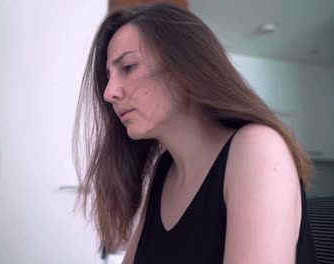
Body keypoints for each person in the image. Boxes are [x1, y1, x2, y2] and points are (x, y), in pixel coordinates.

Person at [72, 3, 318, 264]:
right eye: (108, 76)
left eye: (129, 67)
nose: (109, 93)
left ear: (184, 66)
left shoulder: (257, 148)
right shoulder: (163, 171)